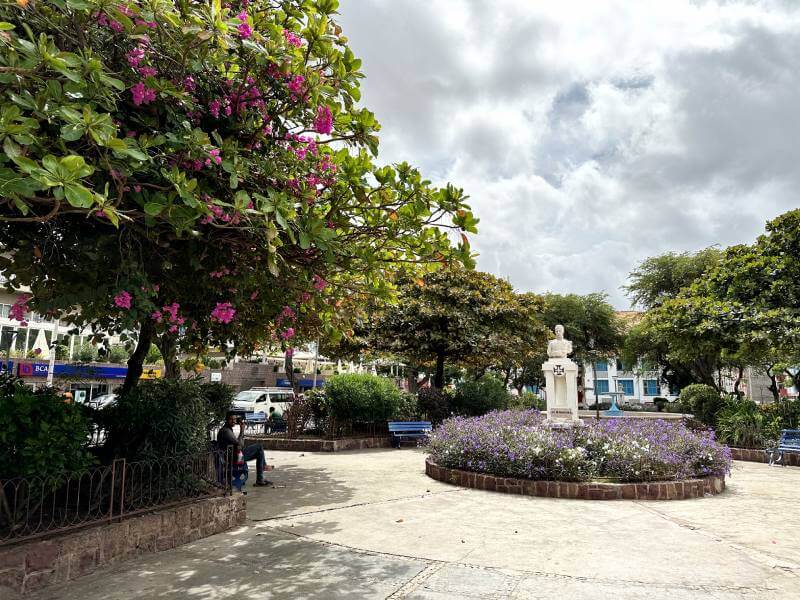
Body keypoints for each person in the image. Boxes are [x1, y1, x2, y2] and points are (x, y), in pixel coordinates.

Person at [217, 412, 272, 486]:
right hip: (234, 459)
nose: (234, 421)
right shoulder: (226, 431)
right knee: (259, 446)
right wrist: (242, 430)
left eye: (235, 419)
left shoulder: (228, 430)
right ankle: (263, 468)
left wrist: (240, 444)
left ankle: (260, 479)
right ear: (226, 420)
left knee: (259, 453)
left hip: (234, 456)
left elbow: (238, 444)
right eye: (231, 419)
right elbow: (240, 444)